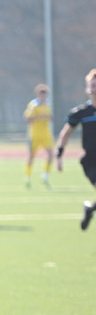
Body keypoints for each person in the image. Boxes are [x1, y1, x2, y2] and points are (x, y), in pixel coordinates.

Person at [55, 69, 96, 231]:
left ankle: (90, 209)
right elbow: (66, 133)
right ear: (87, 88)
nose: (94, 88)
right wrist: (59, 154)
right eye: (91, 85)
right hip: (91, 161)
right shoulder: (81, 112)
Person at [23, 84, 55, 189]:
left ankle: (45, 176)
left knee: (50, 155)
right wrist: (37, 117)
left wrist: (49, 117)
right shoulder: (33, 105)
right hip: (35, 135)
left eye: (45, 95)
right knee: (31, 157)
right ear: (38, 95)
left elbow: (51, 118)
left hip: (46, 134)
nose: (43, 97)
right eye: (41, 95)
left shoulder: (48, 105)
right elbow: (27, 118)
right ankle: (27, 177)